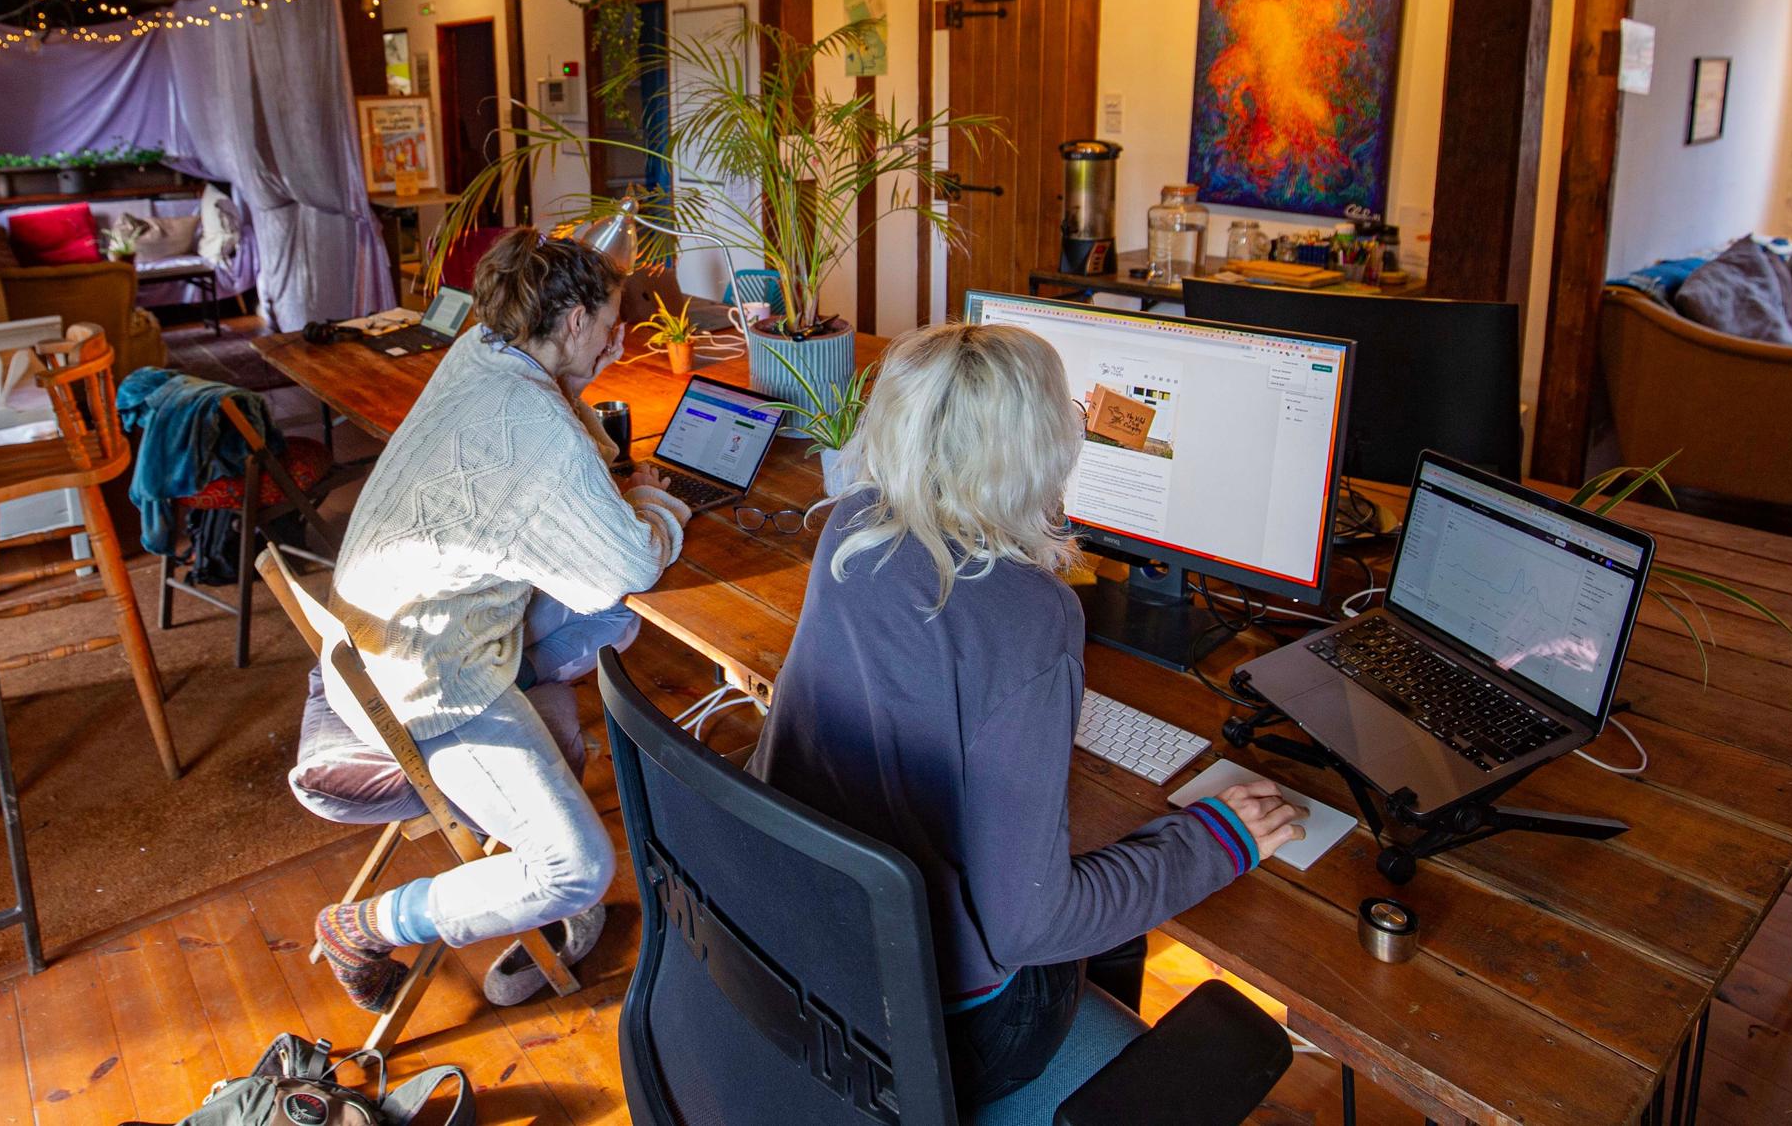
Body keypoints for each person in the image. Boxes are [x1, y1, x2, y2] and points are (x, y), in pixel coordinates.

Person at [751, 322, 1304, 1105]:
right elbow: (1027, 930)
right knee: (1115, 853)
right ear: (1044, 450)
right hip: (947, 1032)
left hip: (812, 956)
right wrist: (1219, 842)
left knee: (1094, 842)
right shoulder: (1030, 614)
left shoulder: (850, 524)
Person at [313, 230, 691, 1009]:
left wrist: (581, 385)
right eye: (610, 324)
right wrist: (655, 500)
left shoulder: (480, 355)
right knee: (577, 867)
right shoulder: (534, 418)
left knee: (608, 621)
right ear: (576, 319)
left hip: (376, 631)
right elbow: (631, 560)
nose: (617, 340)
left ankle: (538, 821)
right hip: (424, 680)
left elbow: (553, 458)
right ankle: (368, 923)